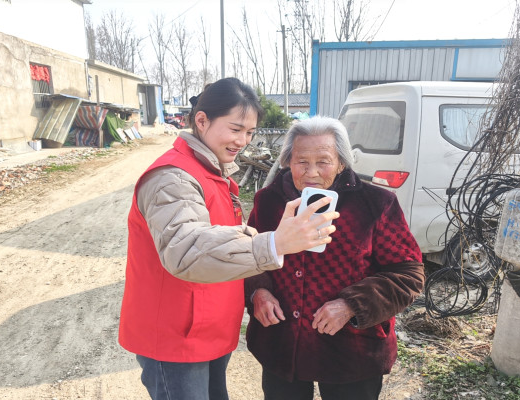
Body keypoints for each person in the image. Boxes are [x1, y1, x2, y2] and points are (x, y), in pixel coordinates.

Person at [118, 78, 339, 400]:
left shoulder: (210, 171)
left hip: (204, 328)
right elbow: (186, 250)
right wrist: (274, 243)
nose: (243, 141)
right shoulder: (173, 177)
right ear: (202, 120)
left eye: (249, 132)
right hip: (175, 335)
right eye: (235, 129)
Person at [244, 116, 426, 400]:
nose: (312, 172)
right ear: (287, 161)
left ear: (341, 162)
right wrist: (259, 291)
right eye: (301, 161)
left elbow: (408, 274)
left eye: (323, 161)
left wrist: (351, 305)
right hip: (281, 343)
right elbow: (251, 255)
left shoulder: (375, 204)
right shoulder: (268, 201)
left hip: (352, 351)